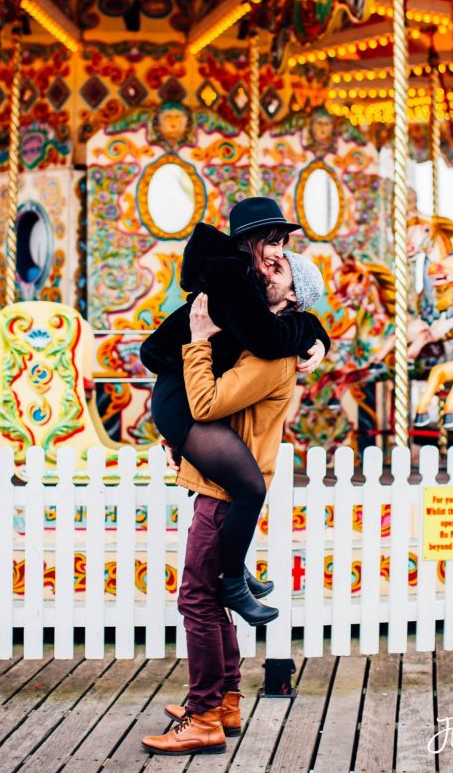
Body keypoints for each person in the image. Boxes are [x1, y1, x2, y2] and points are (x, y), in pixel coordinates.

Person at [142, 250, 323, 757]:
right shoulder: (264, 337)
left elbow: (207, 404)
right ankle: (224, 700)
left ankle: (202, 715)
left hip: (224, 492)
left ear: (292, 296)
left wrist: (197, 343)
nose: (266, 270)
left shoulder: (270, 354)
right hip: (218, 482)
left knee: (197, 599)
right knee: (211, 596)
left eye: (279, 271)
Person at [140, 197, 330, 624]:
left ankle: (234, 571)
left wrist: (315, 334)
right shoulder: (232, 276)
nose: (280, 250)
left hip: (185, 394)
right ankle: (231, 582)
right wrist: (312, 333)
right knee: (249, 487)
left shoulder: (241, 278)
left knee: (247, 486)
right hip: (180, 402)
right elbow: (266, 340)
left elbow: (275, 322)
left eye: (282, 243)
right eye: (273, 242)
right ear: (251, 242)